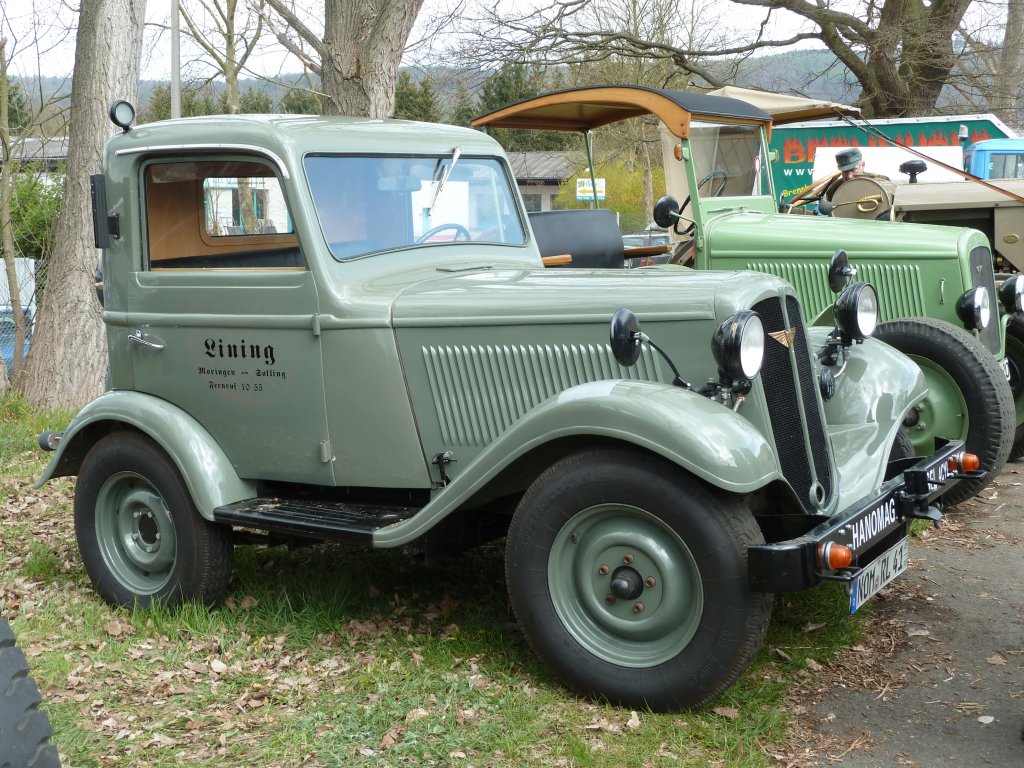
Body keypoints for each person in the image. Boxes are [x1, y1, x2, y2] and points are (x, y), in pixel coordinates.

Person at [824, 148, 890, 201]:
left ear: (863, 165)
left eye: (853, 170)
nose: (849, 176)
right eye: (845, 171)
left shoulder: (882, 182)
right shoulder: (834, 190)